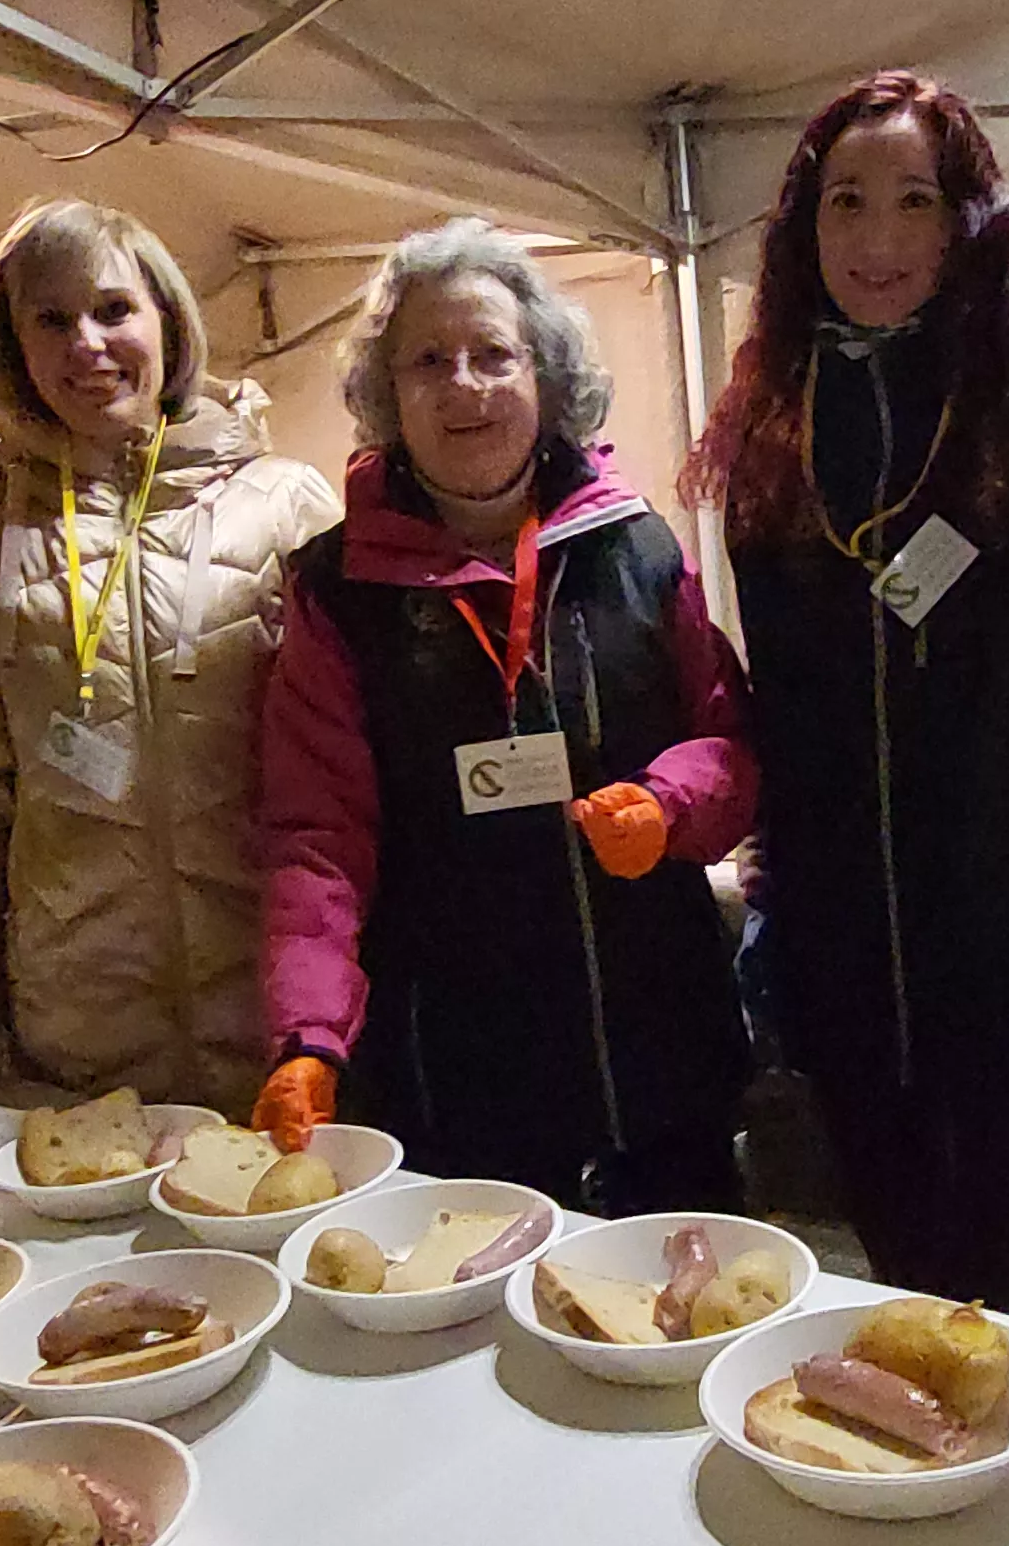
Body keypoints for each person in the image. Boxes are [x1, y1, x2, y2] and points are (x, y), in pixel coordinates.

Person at [685, 71, 1009, 1330]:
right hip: (845, 944)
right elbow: (781, 693)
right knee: (901, 1270)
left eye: (915, 201)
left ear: (970, 221)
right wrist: (772, 886)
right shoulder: (774, 427)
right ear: (805, 226)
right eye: (845, 202)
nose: (877, 239)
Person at [252, 222, 757, 1211]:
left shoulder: (638, 546)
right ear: (387, 397)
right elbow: (313, 840)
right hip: (457, 1079)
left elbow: (732, 743)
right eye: (428, 361)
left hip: (661, 1063)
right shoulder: (338, 590)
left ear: (547, 376)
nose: (465, 385)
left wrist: (667, 804)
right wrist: (308, 1031)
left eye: (495, 354)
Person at [0, 199, 337, 1108]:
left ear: (168, 320)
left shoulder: (288, 504)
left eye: (113, 310)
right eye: (52, 320)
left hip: (278, 1019)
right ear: (15, 346)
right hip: (77, 1030)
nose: (87, 343)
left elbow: (350, 779)